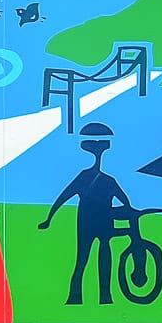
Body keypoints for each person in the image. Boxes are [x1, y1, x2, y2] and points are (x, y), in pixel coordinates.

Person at [38, 122, 134, 305]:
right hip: (96, 222)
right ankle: (101, 296)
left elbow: (63, 197)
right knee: (96, 257)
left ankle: (84, 296)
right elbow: (126, 203)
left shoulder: (90, 177)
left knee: (85, 258)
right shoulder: (104, 180)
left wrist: (49, 219)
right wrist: (48, 219)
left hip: (88, 222)